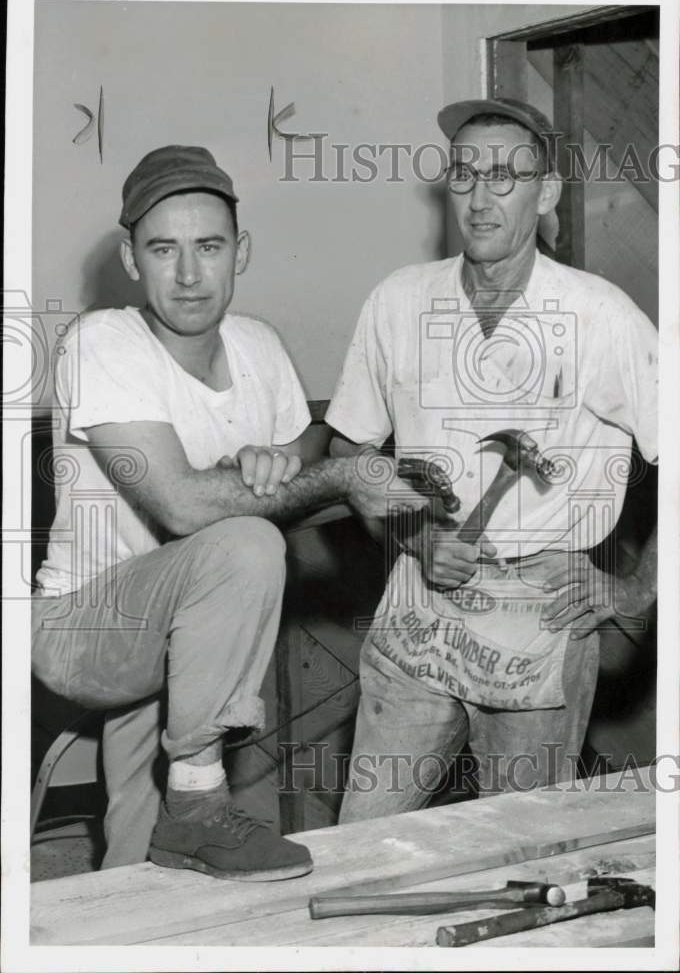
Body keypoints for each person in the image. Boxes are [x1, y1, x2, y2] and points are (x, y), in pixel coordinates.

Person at [32, 144, 426, 878]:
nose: (187, 275)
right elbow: (186, 508)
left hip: (194, 631)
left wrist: (369, 497)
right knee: (243, 545)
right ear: (129, 257)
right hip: (84, 627)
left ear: (241, 252)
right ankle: (197, 804)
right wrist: (334, 474)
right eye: (163, 249)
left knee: (166, 857)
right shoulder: (101, 341)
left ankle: (163, 864)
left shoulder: (259, 347)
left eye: (208, 247)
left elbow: (286, 499)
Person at [326, 98, 658, 821]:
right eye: (465, 174)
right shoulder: (399, 301)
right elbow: (348, 447)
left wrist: (632, 592)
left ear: (546, 193)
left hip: (538, 612)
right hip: (420, 599)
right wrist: (414, 536)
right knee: (362, 843)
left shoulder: (599, 316)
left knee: (518, 848)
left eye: (506, 177)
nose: (480, 198)